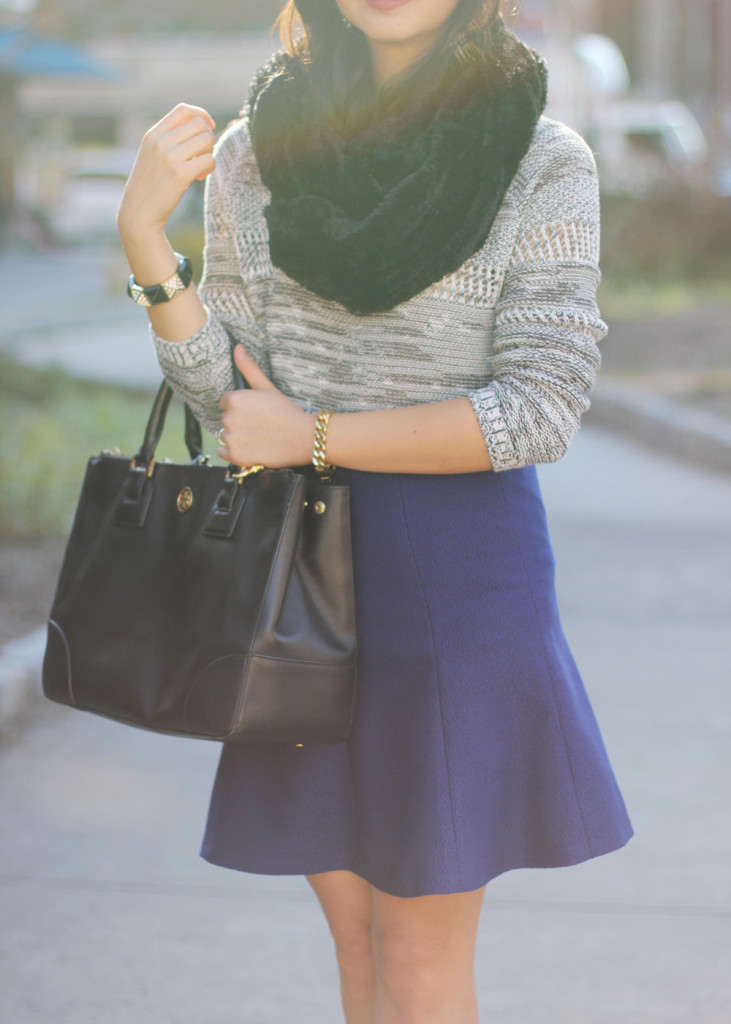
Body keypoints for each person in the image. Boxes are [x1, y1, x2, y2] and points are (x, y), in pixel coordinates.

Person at [117, 1, 633, 1020]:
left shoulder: (540, 157)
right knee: (358, 951)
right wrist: (146, 244)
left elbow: (539, 408)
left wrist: (312, 435)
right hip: (291, 575)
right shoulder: (256, 152)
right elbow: (230, 392)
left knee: (420, 954)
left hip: (455, 575)